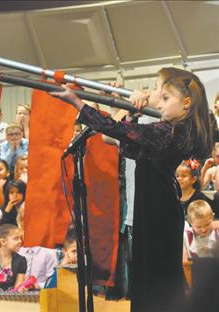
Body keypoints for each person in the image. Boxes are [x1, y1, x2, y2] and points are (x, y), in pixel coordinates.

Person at [50, 67, 213, 312]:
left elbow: (118, 131)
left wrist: (78, 104)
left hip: (158, 212)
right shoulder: (170, 132)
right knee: (152, 276)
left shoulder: (168, 132)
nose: (160, 103)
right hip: (155, 208)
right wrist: (131, 113)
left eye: (166, 98)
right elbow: (127, 142)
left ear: (186, 103)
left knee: (156, 277)